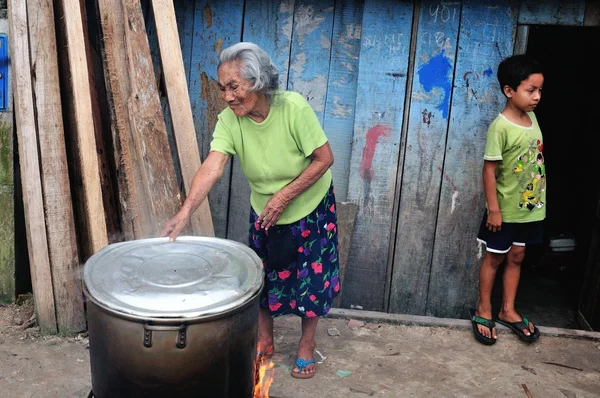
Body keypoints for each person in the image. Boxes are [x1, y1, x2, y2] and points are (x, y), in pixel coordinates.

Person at [161, 42, 340, 378]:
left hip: (310, 205)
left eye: (234, 87)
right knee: (262, 277)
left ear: (257, 83)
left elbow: (325, 158)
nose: (227, 97)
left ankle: (305, 345)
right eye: (222, 88)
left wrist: (285, 195)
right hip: (266, 209)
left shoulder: (293, 109)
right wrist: (185, 212)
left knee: (312, 280)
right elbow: (213, 166)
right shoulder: (230, 121)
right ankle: (265, 339)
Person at [470, 54, 545, 345]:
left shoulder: (533, 118)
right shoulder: (499, 127)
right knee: (495, 258)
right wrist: (494, 210)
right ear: (509, 91)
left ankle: (508, 310)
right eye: (531, 90)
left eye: (540, 90)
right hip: (504, 211)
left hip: (529, 210)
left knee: (517, 257)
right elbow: (489, 171)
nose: (537, 97)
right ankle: (484, 308)